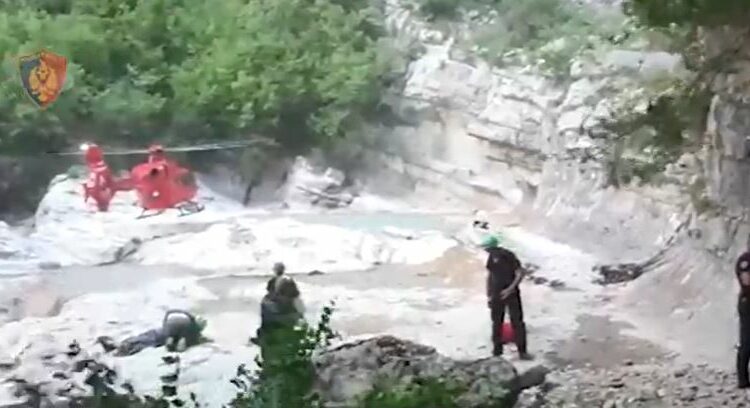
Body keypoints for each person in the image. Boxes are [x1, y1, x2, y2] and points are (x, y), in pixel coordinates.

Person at [482, 234, 533, 360]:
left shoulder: (508, 255)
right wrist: (489, 293)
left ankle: (522, 351)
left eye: (488, 248)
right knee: (496, 323)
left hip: (511, 294)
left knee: (517, 322)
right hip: (496, 293)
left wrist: (509, 290)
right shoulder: (491, 257)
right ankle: (497, 352)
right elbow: (490, 275)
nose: (487, 251)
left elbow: (520, 273)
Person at [105, 309, 207, 356]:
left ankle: (120, 345)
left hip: (158, 331)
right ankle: (122, 349)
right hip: (161, 337)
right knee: (143, 344)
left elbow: (170, 313)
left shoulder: (186, 319)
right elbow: (179, 346)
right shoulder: (188, 329)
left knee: (141, 338)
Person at [737, 239, 750, 388]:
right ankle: (743, 379)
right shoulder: (745, 261)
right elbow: (746, 281)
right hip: (748, 303)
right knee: (747, 342)